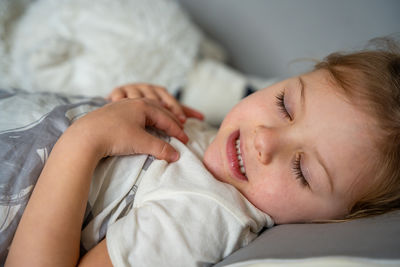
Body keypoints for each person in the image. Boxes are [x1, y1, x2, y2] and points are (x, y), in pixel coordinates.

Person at [5, 41, 400, 266]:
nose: (265, 140)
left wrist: (85, 138)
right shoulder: (212, 136)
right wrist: (123, 104)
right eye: (284, 105)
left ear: (328, 221)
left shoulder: (203, 215)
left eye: (302, 170)